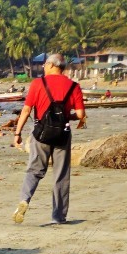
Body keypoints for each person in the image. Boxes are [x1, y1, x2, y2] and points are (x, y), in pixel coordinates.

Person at [10, 53, 84, 225]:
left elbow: (27, 110)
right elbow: (80, 115)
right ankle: (58, 217)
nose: (43, 67)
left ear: (51, 65)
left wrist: (17, 134)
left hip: (41, 134)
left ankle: (24, 200)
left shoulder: (38, 83)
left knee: (34, 171)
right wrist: (66, 116)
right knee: (61, 176)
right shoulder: (74, 86)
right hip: (62, 135)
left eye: (44, 64)